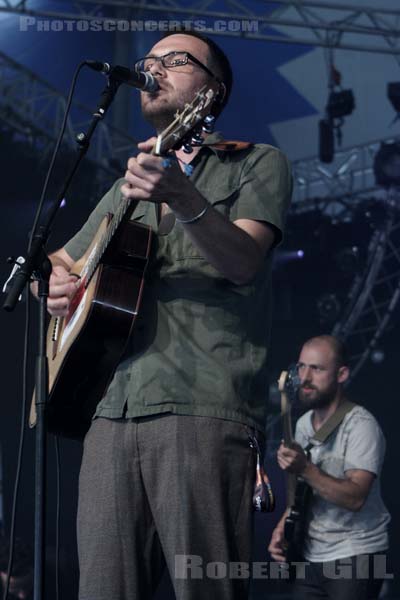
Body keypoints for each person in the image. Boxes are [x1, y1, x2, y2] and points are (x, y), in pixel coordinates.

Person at [41, 32, 292, 600]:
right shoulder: (126, 186)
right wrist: (54, 282)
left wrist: (183, 197)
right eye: (148, 61)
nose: (153, 68)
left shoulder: (256, 163)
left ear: (212, 90)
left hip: (202, 405)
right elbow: (63, 257)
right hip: (111, 410)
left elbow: (244, 262)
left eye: (175, 60)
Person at [268, 335, 391, 600]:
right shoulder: (301, 425)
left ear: (342, 374)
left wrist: (304, 467)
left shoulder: (361, 425)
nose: (305, 377)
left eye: (317, 368)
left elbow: (355, 498)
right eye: (301, 367)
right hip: (310, 555)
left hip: (356, 554)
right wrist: (283, 525)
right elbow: (300, 492)